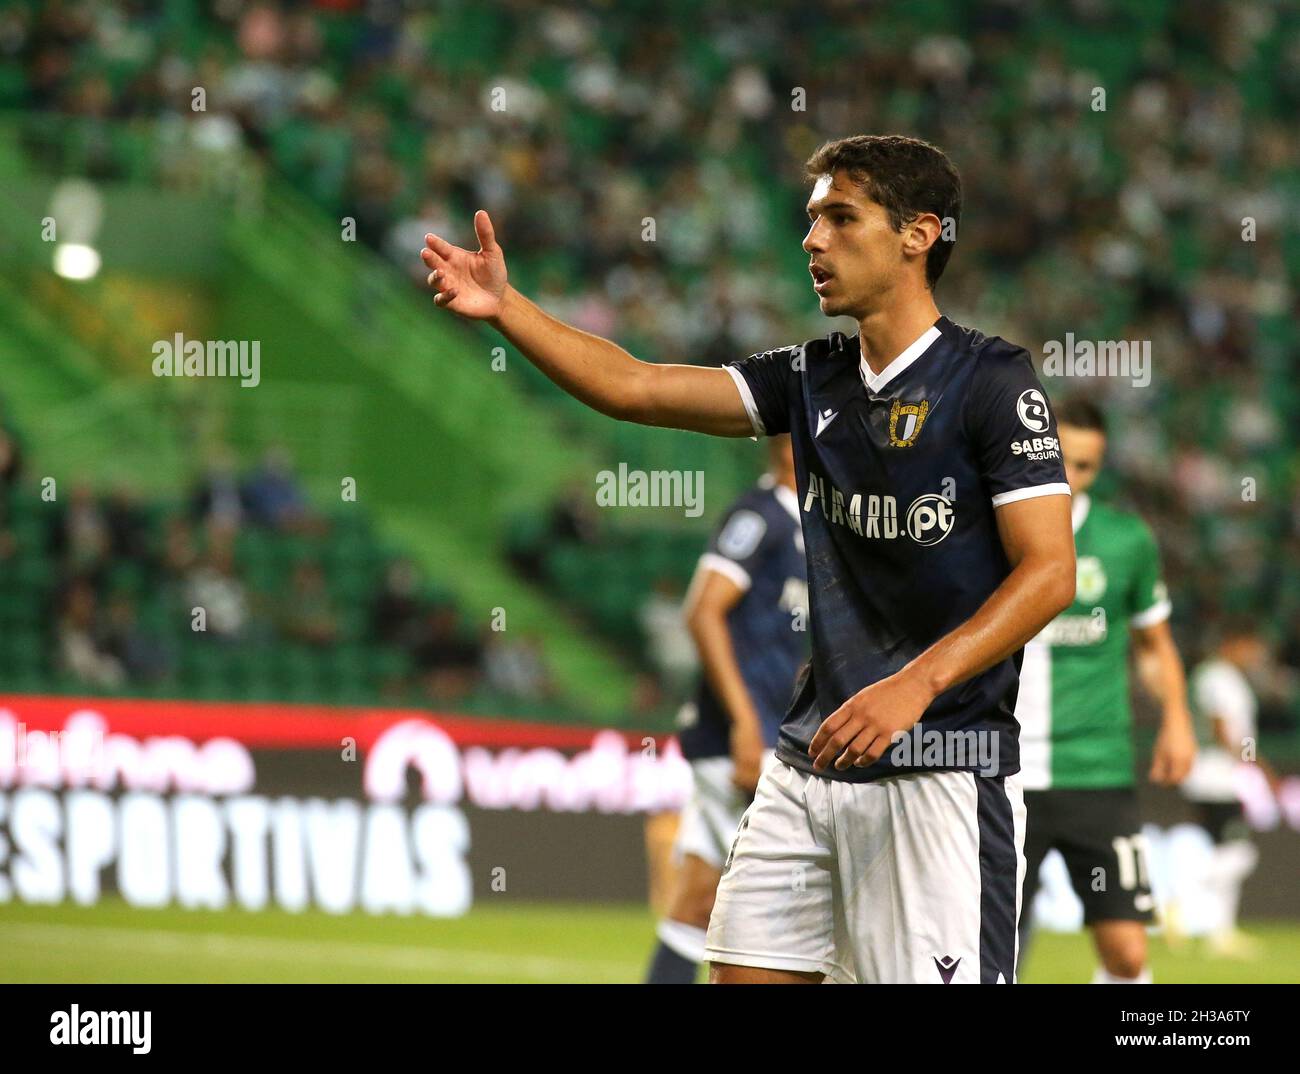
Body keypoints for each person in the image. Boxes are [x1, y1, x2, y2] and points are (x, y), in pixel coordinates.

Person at [420, 133, 1076, 983]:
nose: (813, 240)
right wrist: (510, 310)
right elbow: (637, 386)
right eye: (812, 221)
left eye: (842, 219)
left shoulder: (993, 382)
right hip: (808, 765)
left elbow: (1050, 572)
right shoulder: (811, 378)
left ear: (919, 235)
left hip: (940, 770)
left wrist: (916, 682)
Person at [1014, 398, 1196, 984]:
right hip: (1003, 773)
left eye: (1085, 466)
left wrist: (1176, 718)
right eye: (1058, 459)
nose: (1068, 477)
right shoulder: (990, 531)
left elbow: (1152, 644)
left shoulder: (1126, 541)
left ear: (1102, 465)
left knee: (1128, 954)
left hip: (1096, 771)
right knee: (992, 951)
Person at [645, 435, 808, 983]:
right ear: (788, 445)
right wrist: (744, 722)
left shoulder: (814, 520)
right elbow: (703, 611)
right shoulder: (759, 516)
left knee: (697, 900)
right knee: (795, 911)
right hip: (747, 738)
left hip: (769, 733)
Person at [1177, 622, 1274, 957]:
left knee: (1224, 849)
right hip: (1214, 776)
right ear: (1233, 642)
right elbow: (1222, 729)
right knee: (1239, 851)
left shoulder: (1228, 677)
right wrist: (1256, 766)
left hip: (1225, 774)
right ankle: (1179, 896)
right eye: (1252, 646)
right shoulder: (1216, 676)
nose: (1257, 655)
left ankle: (1221, 932)